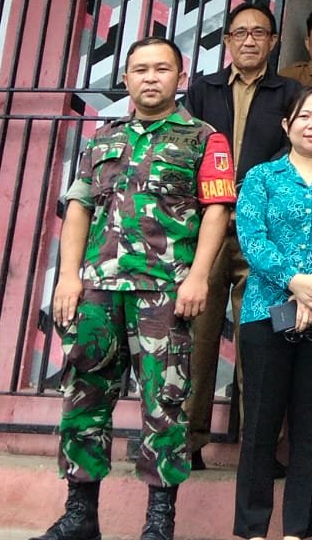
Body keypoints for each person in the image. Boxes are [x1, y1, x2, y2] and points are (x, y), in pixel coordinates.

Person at [34, 37, 235, 540]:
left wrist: (198, 276)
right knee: (84, 395)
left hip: (164, 292)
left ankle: (158, 522)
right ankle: (80, 515)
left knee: (164, 402)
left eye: (161, 69)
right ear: (125, 79)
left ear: (180, 78)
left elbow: (217, 212)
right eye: (140, 69)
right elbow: (79, 207)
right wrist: (68, 276)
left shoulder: (205, 139)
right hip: (98, 290)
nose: (150, 77)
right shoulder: (104, 138)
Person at [233, 89, 312, 540]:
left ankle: (297, 531)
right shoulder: (261, 177)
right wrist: (294, 282)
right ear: (287, 126)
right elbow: (252, 238)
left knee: (311, 428)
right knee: (260, 425)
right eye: (304, 116)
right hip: (264, 312)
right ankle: (253, 529)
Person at [182, 1, 303, 469]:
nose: (249, 40)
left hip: (264, 234)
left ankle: (260, 450)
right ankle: (187, 443)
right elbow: (187, 148)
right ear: (227, 40)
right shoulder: (203, 89)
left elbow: (294, 151)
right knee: (196, 339)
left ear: (273, 42)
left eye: (259, 33)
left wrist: (251, 196)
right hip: (207, 232)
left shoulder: (290, 92)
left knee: (262, 341)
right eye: (240, 32)